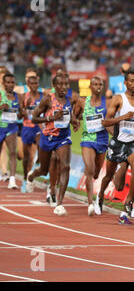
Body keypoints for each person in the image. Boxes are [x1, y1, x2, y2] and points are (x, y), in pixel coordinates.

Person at [95, 69, 134, 225]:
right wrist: (123, 117)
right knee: (109, 176)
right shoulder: (118, 99)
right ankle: (100, 197)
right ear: (125, 83)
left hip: (131, 144)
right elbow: (105, 122)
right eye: (132, 81)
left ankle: (128, 203)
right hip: (117, 143)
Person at [27, 75, 80, 216]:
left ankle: (60, 203)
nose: (64, 87)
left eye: (66, 84)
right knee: (44, 171)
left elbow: (69, 116)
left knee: (66, 166)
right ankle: (31, 176)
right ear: (54, 86)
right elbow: (34, 117)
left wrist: (75, 122)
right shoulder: (48, 99)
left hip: (63, 138)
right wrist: (50, 118)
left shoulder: (68, 101)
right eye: (60, 84)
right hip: (48, 138)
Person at [74, 77, 109, 216]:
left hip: (102, 140)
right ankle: (90, 203)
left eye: (100, 84)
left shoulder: (108, 103)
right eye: (95, 84)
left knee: (95, 173)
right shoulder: (83, 101)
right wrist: (75, 122)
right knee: (89, 168)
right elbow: (75, 116)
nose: (98, 86)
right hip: (87, 139)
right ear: (90, 86)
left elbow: (111, 118)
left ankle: (94, 194)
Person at [20, 75, 43, 193]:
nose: (34, 86)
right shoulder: (24, 96)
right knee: (26, 157)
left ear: (38, 84)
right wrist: (25, 107)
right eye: (32, 84)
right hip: (27, 128)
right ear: (28, 85)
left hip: (38, 127)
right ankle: (25, 179)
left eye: (36, 83)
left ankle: (34, 167)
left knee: (41, 146)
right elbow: (19, 115)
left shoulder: (43, 96)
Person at [0, 73, 23, 189]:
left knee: (13, 152)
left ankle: (12, 179)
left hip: (12, 128)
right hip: (0, 127)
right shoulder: (0, 95)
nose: (10, 84)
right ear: (4, 83)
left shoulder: (18, 97)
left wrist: (21, 113)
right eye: (8, 82)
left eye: (12, 82)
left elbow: (21, 113)